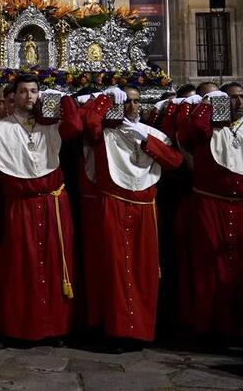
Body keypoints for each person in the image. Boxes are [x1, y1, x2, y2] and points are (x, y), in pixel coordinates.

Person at [0, 75, 82, 345]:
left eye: (34, 91)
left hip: (54, 206)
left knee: (56, 268)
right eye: (23, 92)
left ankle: (54, 328)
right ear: (15, 96)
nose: (29, 97)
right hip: (20, 208)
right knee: (21, 270)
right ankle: (20, 329)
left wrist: (65, 99)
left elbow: (76, 127)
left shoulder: (51, 125)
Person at [177, 83, 243, 341]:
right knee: (211, 269)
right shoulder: (205, 131)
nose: (238, 102)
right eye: (230, 98)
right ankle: (212, 325)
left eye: (242, 97)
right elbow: (190, 132)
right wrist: (207, 105)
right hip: (210, 207)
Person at [81, 88, 183, 350]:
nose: (132, 106)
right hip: (112, 205)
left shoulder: (152, 134)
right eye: (125, 101)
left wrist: (148, 142)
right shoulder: (103, 134)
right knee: (113, 270)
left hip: (145, 209)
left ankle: (140, 330)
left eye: (136, 101)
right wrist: (105, 98)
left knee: (143, 271)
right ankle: (114, 330)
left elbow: (175, 161)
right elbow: (89, 122)